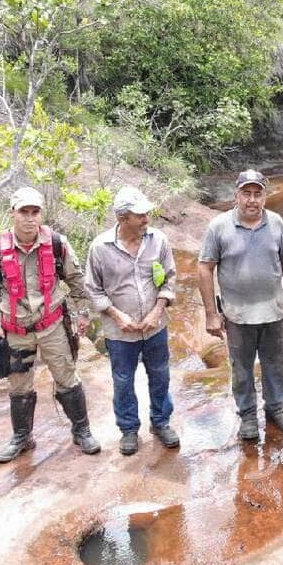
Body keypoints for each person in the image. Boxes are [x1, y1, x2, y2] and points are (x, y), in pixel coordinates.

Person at [0, 186, 100, 463]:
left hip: (53, 325)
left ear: (41, 214)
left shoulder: (57, 244)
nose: (30, 218)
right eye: (23, 212)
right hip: (15, 330)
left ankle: (82, 430)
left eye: (35, 212)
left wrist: (82, 314)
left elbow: (76, 281)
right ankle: (22, 437)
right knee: (18, 385)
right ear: (12, 213)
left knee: (67, 377)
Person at [198, 169, 283, 441]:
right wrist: (211, 314)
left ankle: (276, 409)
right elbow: (205, 268)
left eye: (257, 194)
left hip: (273, 312)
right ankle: (248, 416)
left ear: (265, 196)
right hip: (237, 315)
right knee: (241, 369)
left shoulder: (276, 223)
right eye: (246, 193)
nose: (252, 200)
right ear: (237, 195)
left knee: (275, 363)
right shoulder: (219, 227)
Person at [85, 186, 179, 455]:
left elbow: (170, 278)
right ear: (123, 218)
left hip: (155, 327)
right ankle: (128, 430)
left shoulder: (158, 240)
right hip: (119, 332)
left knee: (160, 375)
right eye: (140, 215)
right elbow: (93, 289)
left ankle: (161, 422)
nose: (146, 219)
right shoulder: (100, 248)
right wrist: (116, 315)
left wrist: (157, 311)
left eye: (147, 213)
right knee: (123, 380)